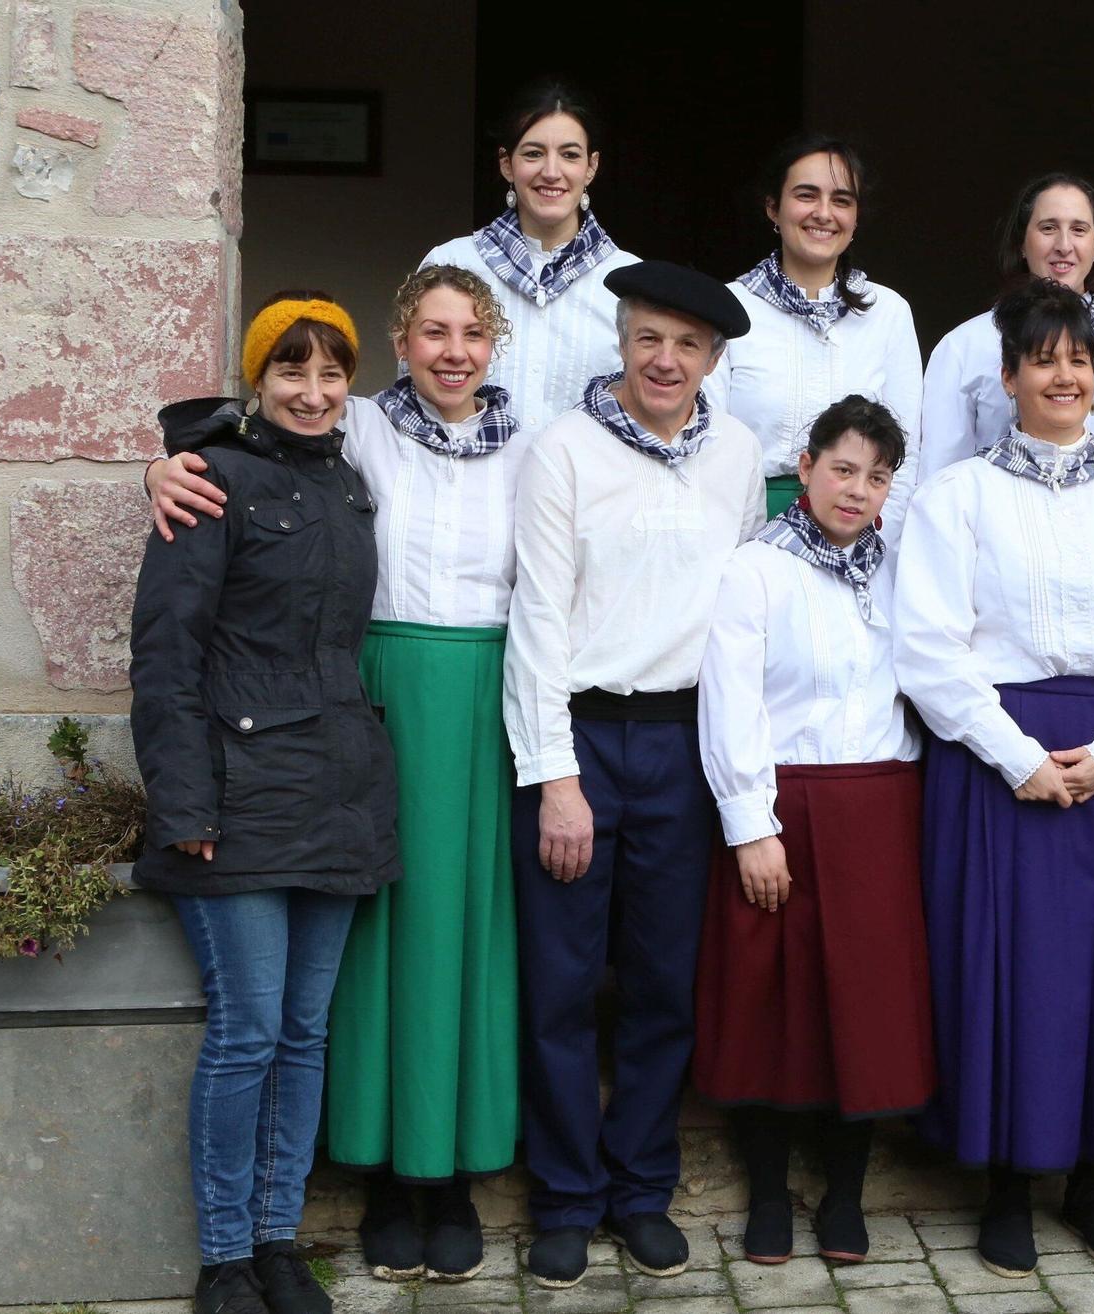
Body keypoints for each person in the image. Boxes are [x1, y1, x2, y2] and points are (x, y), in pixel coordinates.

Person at [141, 268, 530, 1283]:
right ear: (400, 345)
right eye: (430, 332)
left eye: (471, 335)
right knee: (280, 1018)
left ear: (496, 347)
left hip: (392, 744)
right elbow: (237, 433)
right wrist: (167, 462)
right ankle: (261, 1240)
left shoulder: (526, 446)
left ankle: (348, 1214)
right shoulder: (353, 434)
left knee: (379, 986)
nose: (451, 351)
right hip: (312, 737)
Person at [894, 278, 1094, 1279]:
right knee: (1010, 975)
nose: (1061, 374)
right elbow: (928, 649)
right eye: (1042, 359)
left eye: (1076, 359)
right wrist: (1014, 756)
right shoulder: (958, 496)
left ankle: (1088, 1181)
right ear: (1007, 377)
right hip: (997, 761)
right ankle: (1004, 1186)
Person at [129, 292, 401, 1314]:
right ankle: (225, 1256)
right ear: (259, 378)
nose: (314, 391)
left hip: (335, 791)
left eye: (332, 372)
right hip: (236, 801)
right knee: (245, 1029)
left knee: (303, 1033)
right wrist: (183, 807)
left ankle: (282, 1241)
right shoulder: (209, 481)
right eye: (292, 371)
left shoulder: (349, 484)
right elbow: (166, 658)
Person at [505, 260, 764, 1289]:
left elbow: (746, 613)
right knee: (563, 985)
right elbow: (536, 617)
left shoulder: (737, 455)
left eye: (688, 345)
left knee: (662, 984)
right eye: (649, 338)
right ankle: (565, 1198)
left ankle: (640, 1189)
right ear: (620, 342)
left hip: (684, 746)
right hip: (581, 741)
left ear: (711, 360)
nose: (666, 360)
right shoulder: (562, 449)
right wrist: (553, 776)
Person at [693, 395, 934, 1265]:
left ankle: (845, 1197)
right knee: (770, 1006)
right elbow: (730, 702)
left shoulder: (904, 571)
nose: (857, 489)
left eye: (876, 476)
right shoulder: (755, 569)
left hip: (878, 809)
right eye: (843, 468)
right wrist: (751, 826)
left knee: (862, 1012)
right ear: (805, 469)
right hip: (780, 805)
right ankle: (765, 1195)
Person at [716, 134, 923, 541]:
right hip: (747, 533)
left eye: (842, 200)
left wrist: (872, 545)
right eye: (806, 195)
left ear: (856, 217)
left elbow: (907, 454)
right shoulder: (727, 307)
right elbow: (708, 447)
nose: (824, 214)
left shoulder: (889, 313)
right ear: (773, 207)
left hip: (857, 536)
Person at [916, 171, 1094, 481]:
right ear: (1021, 242)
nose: (1064, 245)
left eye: (1079, 229)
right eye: (1048, 228)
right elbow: (940, 476)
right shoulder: (963, 346)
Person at [422, 79, 640, 431]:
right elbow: (415, 392)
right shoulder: (452, 264)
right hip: (467, 479)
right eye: (533, 153)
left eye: (570, 155)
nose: (551, 172)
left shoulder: (630, 281)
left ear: (591, 167)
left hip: (588, 485)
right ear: (507, 164)